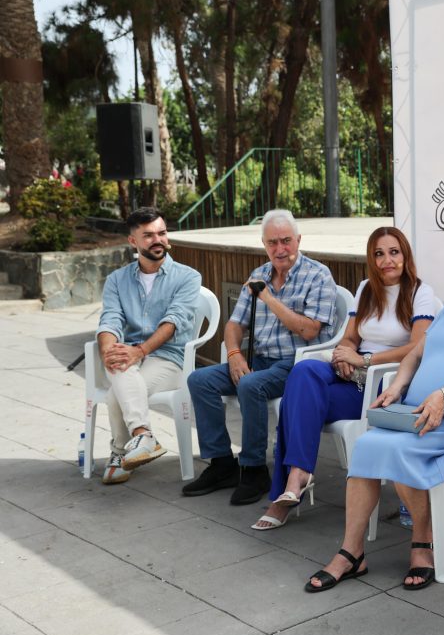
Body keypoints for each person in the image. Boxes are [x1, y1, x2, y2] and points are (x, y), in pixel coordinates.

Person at [304, 230, 444, 593]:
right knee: (367, 445)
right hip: (418, 412)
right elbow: (415, 352)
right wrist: (396, 388)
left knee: (396, 447)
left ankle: (422, 545)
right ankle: (352, 552)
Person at [250, 227, 436, 530]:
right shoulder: (366, 289)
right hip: (353, 374)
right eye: (379, 253)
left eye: (394, 252)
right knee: (304, 371)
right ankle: (298, 476)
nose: (386, 260)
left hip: (382, 384)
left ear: (405, 255)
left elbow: (417, 347)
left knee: (296, 405)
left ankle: (289, 486)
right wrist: (343, 355)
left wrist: (363, 360)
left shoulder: (419, 292)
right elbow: (349, 338)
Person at [183, 209, 337, 505]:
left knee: (250, 385)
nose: (280, 249)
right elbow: (233, 325)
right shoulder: (259, 275)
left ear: (298, 240)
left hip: (297, 363)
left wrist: (268, 298)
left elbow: (308, 330)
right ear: (264, 244)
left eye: (286, 241)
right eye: (272, 243)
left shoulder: (318, 275)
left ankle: (254, 469)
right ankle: (222, 464)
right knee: (200, 380)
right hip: (259, 359)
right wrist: (233, 354)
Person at [94, 207, 202, 484]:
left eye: (162, 233)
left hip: (170, 358)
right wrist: (109, 351)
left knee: (115, 395)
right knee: (116, 360)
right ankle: (143, 437)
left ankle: (119, 452)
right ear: (133, 242)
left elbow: (173, 321)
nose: (158, 240)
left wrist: (140, 351)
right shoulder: (117, 280)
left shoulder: (188, 277)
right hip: (129, 353)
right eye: (148, 235)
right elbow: (110, 321)